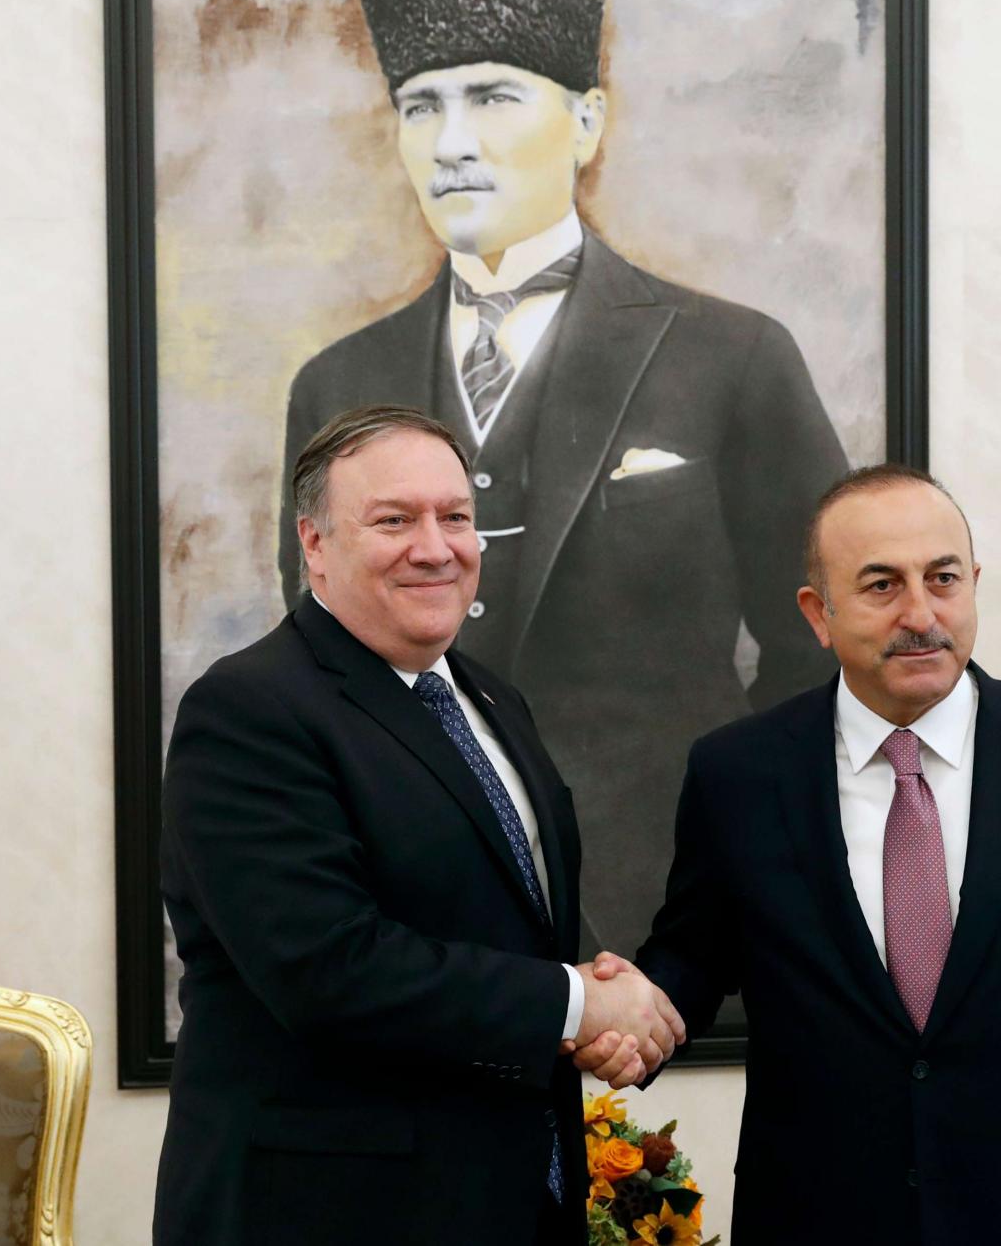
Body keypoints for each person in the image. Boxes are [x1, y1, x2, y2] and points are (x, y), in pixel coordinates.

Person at [278, 0, 849, 962]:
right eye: (421, 105)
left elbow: (817, 645)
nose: (451, 143)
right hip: (424, 933)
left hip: (681, 917)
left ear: (586, 120)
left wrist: (745, 854)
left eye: (493, 97)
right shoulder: (338, 383)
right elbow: (321, 670)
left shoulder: (734, 357)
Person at [576, 465, 1001, 1244]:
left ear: (974, 584)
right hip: (815, 1220)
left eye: (943, 579)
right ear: (819, 613)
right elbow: (695, 955)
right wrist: (634, 1018)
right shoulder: (739, 771)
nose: (921, 614)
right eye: (882, 585)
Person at [156, 405, 683, 1246]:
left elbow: (504, 932)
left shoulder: (491, 698)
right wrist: (577, 1002)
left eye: (456, 517)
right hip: (332, 1215)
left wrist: (584, 1016)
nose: (436, 548)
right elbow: (328, 969)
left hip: (514, 1201)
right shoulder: (249, 709)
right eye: (394, 520)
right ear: (314, 543)